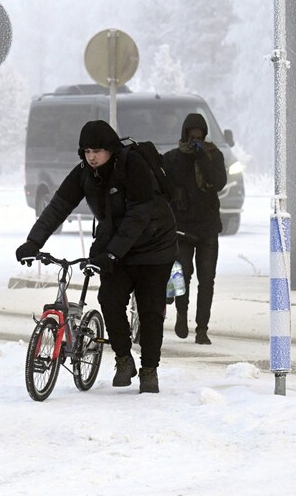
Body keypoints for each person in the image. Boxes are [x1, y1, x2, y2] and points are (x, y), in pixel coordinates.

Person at [14, 120, 177, 393]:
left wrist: (110, 253)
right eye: (87, 150)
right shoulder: (85, 173)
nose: (91, 156)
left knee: (150, 310)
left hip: (153, 246)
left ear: (111, 149)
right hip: (115, 246)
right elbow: (59, 205)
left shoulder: (133, 165)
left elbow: (139, 215)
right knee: (109, 300)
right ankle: (124, 359)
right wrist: (33, 241)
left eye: (97, 150)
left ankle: (149, 369)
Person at [162, 113, 227, 345]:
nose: (196, 140)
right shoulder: (172, 158)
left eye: (199, 136)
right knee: (182, 274)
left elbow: (218, 182)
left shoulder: (213, 155)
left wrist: (203, 157)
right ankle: (181, 314)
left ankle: (202, 328)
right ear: (185, 135)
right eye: (192, 136)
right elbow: (165, 187)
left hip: (208, 226)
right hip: (182, 227)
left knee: (207, 279)